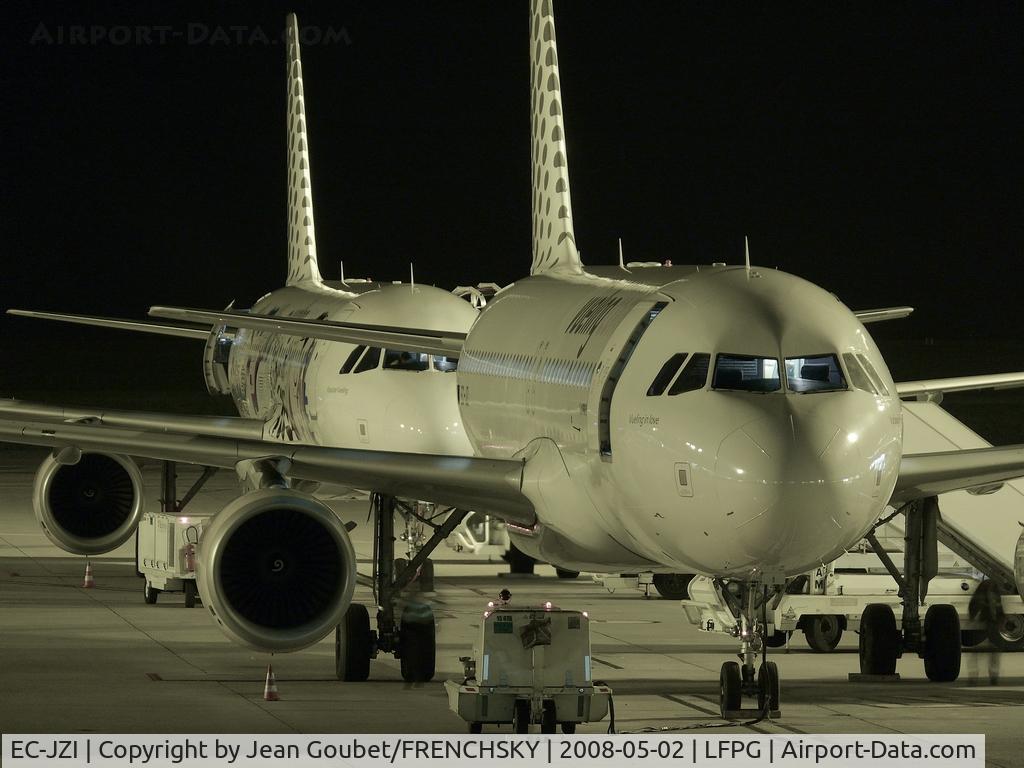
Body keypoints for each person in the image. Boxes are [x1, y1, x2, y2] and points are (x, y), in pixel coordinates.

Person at [968, 579, 1003, 685]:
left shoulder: (979, 597)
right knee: (993, 653)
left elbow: (972, 609)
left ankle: (974, 676)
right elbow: (999, 610)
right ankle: (993, 676)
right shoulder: (994, 596)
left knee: (976, 653)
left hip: (984, 625)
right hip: (989, 625)